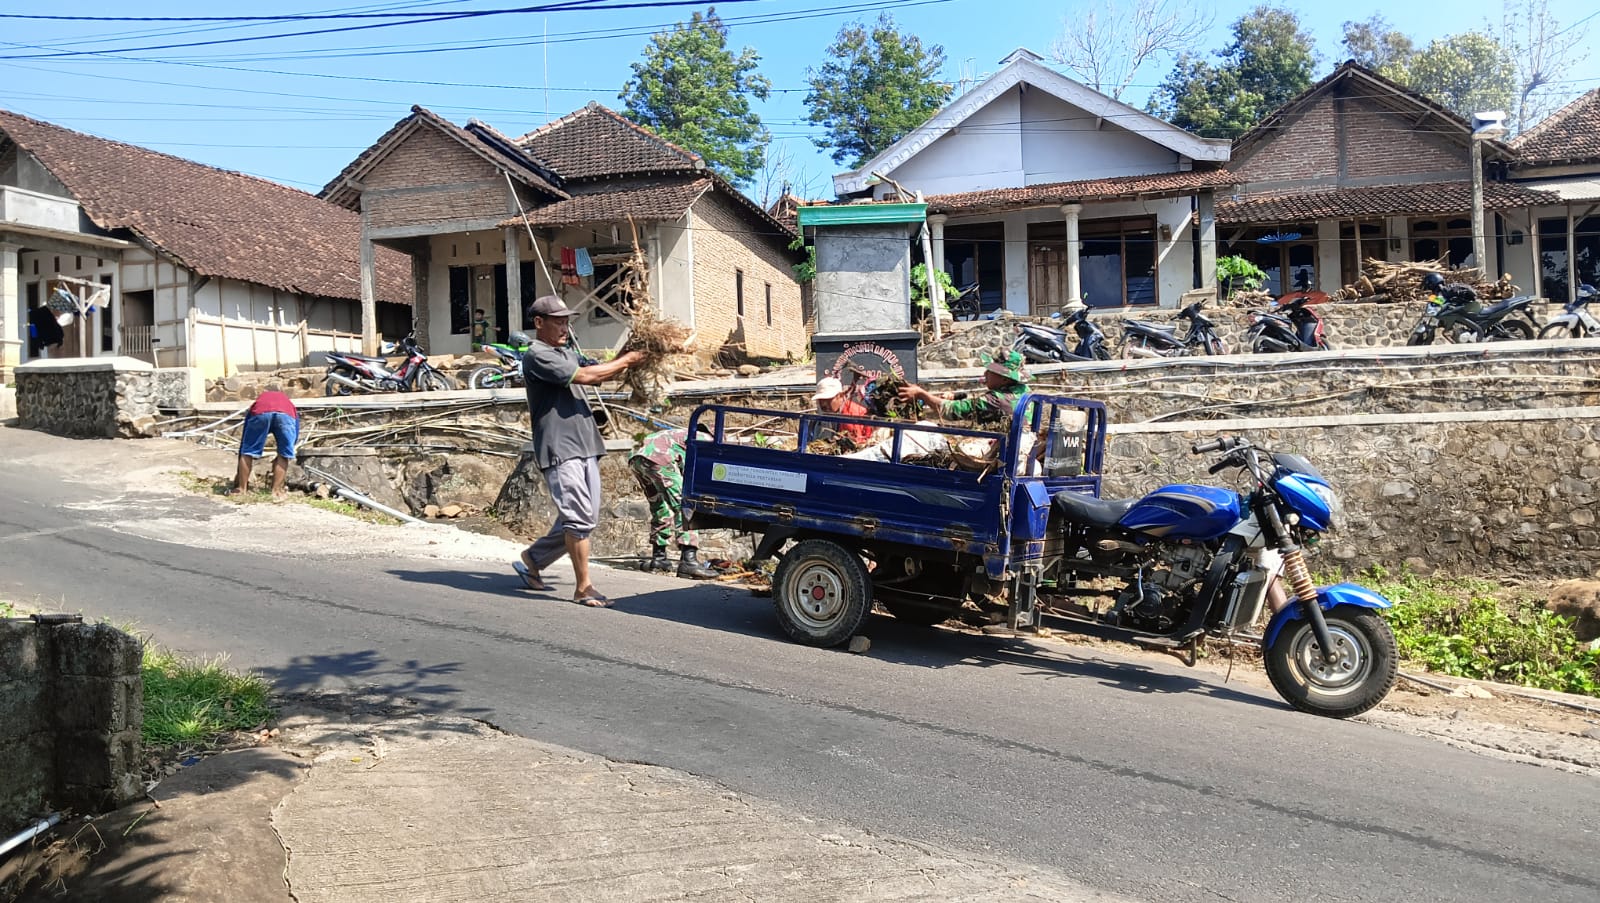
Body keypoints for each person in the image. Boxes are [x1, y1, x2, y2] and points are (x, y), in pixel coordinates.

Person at [513, 294, 645, 607]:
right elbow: (586, 377)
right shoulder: (538, 355)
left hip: (586, 444)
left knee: (584, 518)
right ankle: (583, 587)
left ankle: (534, 558)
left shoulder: (566, 352)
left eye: (566, 320)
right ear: (538, 323)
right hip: (560, 447)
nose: (564, 326)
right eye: (557, 321)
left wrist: (632, 348)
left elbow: (598, 373)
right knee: (578, 519)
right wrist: (628, 360)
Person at [628, 425, 718, 579]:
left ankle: (659, 558)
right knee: (686, 506)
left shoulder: (680, 433)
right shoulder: (706, 439)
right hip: (660, 459)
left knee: (659, 506)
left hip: (638, 460)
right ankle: (688, 560)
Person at [896, 349, 1029, 424]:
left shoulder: (996, 400)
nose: (985, 373)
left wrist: (921, 394)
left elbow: (950, 411)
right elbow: (977, 402)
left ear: (1004, 379)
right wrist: (955, 396)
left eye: (990, 371)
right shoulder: (1024, 391)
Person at [228, 382, 299, 500]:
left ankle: (241, 489)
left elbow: (245, 441)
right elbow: (295, 432)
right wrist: (286, 451)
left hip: (261, 413)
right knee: (283, 455)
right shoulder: (288, 402)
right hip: (286, 415)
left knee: (248, 452)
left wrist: (244, 452)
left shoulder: (260, 400)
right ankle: (276, 491)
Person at [812, 377, 874, 444]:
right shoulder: (830, 414)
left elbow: (857, 443)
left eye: (828, 400)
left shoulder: (852, 415)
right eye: (820, 400)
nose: (823, 404)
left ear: (840, 396)